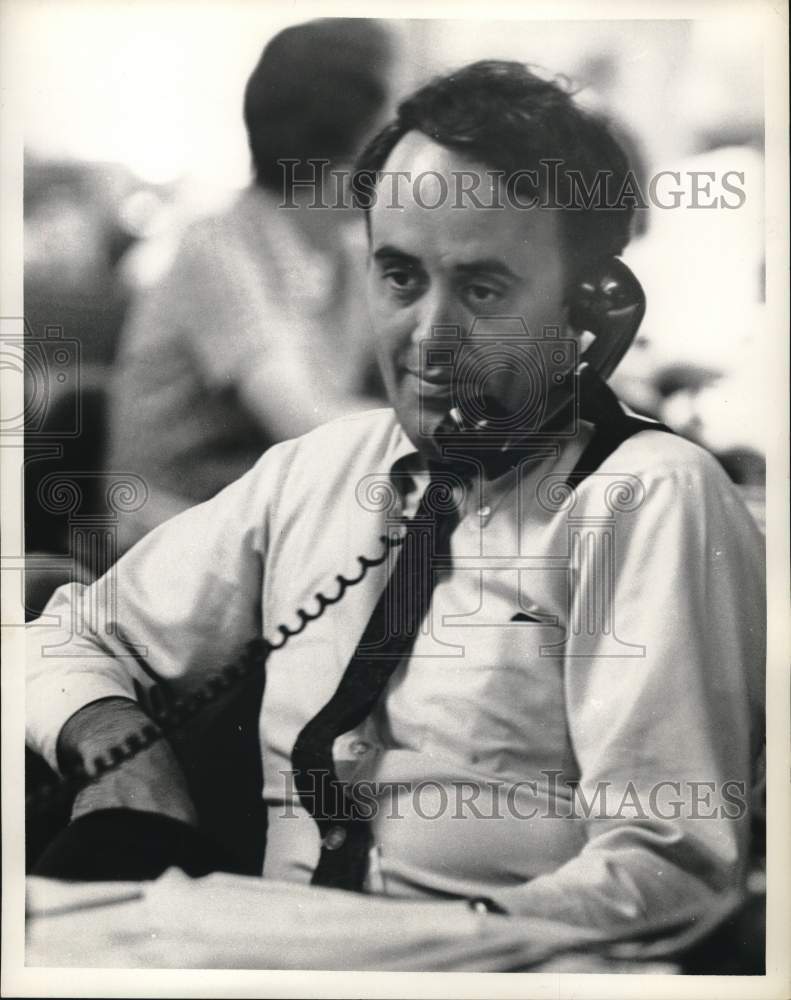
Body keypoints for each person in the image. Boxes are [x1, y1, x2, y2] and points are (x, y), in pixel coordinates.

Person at [26, 61, 764, 955]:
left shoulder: (651, 501)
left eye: (482, 290)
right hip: (247, 951)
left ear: (589, 306)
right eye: (400, 278)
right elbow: (62, 634)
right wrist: (114, 739)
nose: (429, 338)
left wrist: (414, 942)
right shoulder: (319, 472)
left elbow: (669, 867)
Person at [106, 19, 393, 548]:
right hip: (169, 540)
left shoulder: (350, 251)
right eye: (398, 132)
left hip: (270, 520)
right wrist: (451, 425)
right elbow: (301, 419)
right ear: (352, 159)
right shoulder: (216, 249)